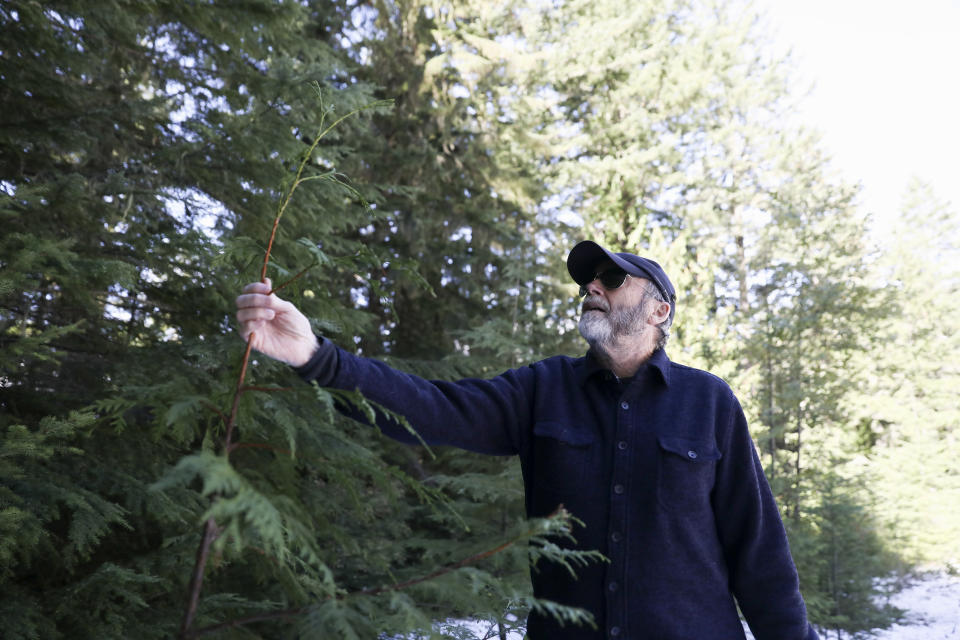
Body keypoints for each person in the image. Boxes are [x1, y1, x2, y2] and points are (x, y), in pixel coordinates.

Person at [235, 240, 819, 640]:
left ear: (659, 309)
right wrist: (316, 358)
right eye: (589, 278)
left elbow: (759, 552)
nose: (593, 284)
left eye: (612, 278)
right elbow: (433, 409)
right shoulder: (541, 390)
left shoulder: (710, 403)